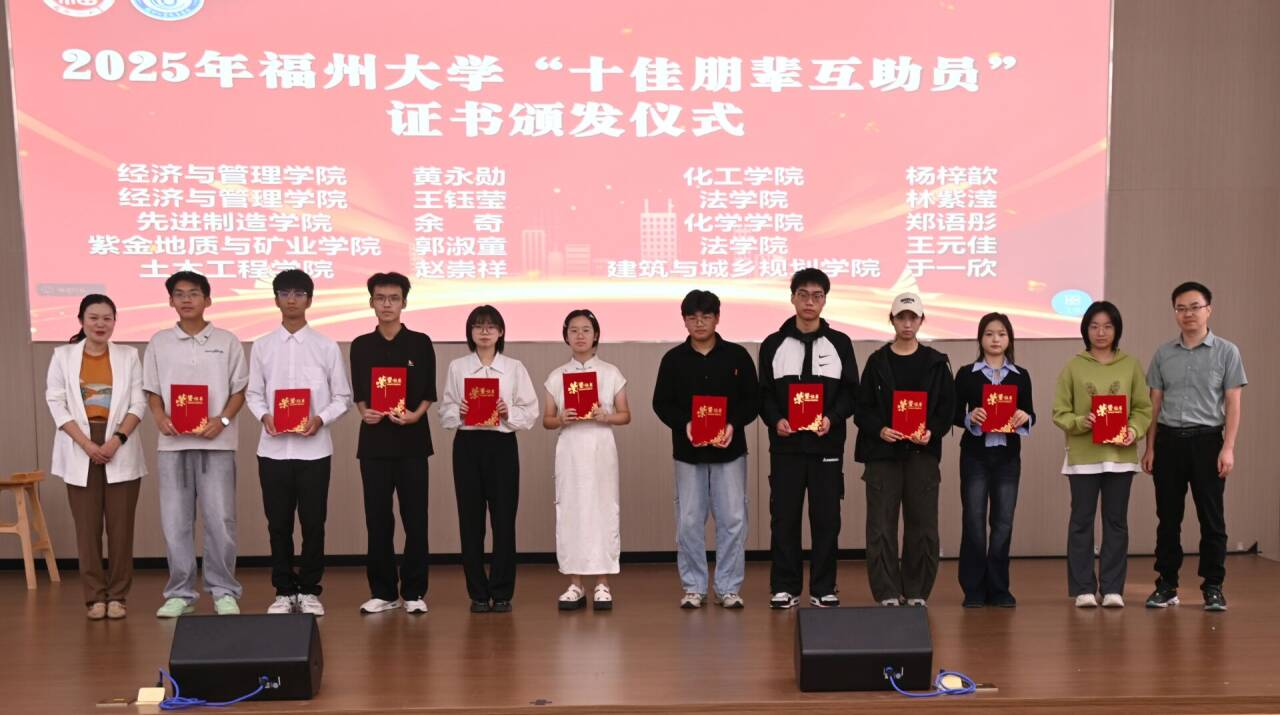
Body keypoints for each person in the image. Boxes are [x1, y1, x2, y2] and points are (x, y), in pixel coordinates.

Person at [246, 270, 352, 616]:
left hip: (314, 450)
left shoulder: (326, 346)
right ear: (276, 299)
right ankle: (283, 590)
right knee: (277, 524)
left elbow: (342, 396)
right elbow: (253, 393)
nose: (291, 299)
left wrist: (320, 419)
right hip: (272, 450)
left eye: (299, 293)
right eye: (285, 293)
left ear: (310, 299)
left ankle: (308, 590)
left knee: (313, 523)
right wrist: (265, 415)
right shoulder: (262, 346)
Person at [144, 271, 249, 618]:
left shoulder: (227, 340)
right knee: (176, 521)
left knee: (220, 520)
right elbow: (152, 391)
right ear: (170, 301)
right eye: (179, 294)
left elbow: (239, 390)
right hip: (172, 444)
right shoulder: (159, 341)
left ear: (208, 299)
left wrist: (222, 421)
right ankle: (180, 592)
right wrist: (159, 417)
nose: (186, 299)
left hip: (217, 443)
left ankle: (224, 591)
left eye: (194, 293)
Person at [652, 290, 760, 609]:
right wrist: (684, 424)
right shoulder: (673, 359)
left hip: (730, 451)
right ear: (684, 321)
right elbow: (661, 403)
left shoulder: (737, 356)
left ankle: (728, 587)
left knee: (733, 519)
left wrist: (733, 425)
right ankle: (694, 586)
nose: (699, 323)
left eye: (706, 316)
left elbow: (752, 400)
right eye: (692, 317)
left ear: (717, 318)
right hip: (689, 453)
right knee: (688, 521)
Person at [1142, 282, 1246, 611]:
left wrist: (1228, 448)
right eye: (1181, 308)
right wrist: (1150, 447)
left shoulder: (1227, 352)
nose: (1188, 313)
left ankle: (1213, 586)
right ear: (1175, 313)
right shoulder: (1163, 354)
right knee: (1168, 518)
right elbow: (1154, 405)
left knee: (1212, 519)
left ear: (1208, 310)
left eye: (1195, 307)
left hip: (1208, 443)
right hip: (1169, 443)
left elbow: (1233, 404)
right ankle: (1166, 585)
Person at [758, 268, 859, 609]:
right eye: (803, 295)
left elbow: (851, 393)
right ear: (793, 298)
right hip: (785, 447)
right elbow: (764, 394)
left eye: (817, 296)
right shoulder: (773, 344)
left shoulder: (840, 343)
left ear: (824, 301)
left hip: (826, 447)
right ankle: (784, 587)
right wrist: (776, 420)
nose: (809, 302)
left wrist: (831, 419)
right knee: (784, 518)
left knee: (827, 519)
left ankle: (824, 587)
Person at [45, 294, 146, 620]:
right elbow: (56, 402)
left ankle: (118, 596)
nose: (100, 324)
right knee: (87, 530)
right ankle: (94, 598)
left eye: (107, 318)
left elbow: (138, 403)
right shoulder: (62, 356)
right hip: (79, 444)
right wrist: (87, 444)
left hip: (120, 443)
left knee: (121, 529)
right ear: (81, 321)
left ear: (115, 322)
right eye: (93, 317)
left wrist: (116, 440)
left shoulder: (129, 356)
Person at [854, 292, 955, 607]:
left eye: (913, 317)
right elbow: (862, 409)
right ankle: (886, 591)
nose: (907, 323)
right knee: (881, 525)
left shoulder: (936, 363)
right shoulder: (877, 362)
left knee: (923, 524)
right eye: (901, 317)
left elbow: (947, 409)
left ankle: (916, 591)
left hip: (922, 455)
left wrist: (932, 431)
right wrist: (880, 429)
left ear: (922, 320)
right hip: (883, 455)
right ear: (892, 320)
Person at [1052, 301, 1152, 608]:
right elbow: (1059, 412)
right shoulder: (1073, 366)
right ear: (1086, 330)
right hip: (1083, 458)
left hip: (1120, 458)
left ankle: (1112, 589)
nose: (1101, 332)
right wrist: (1081, 422)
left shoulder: (1130, 365)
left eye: (1108, 326)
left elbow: (1143, 408)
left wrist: (1134, 430)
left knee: (1116, 523)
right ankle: (1083, 588)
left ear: (1117, 329)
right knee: (1081, 523)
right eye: (1094, 326)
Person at [439, 305, 539, 613]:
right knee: (470, 521)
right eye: (478, 326)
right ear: (470, 332)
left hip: (502, 445)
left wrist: (509, 411)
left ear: (501, 332)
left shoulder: (514, 367)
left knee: (504, 520)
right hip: (468, 445)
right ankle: (478, 593)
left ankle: (502, 591)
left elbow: (531, 411)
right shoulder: (458, 367)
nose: (484, 332)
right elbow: (445, 410)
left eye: (491, 326)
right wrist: (459, 412)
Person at [349, 272, 436, 615]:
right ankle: (383, 591)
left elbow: (428, 391)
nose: (387, 304)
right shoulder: (361, 345)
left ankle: (414, 591)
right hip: (374, 444)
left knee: (416, 519)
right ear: (371, 302)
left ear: (404, 302)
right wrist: (364, 412)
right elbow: (359, 392)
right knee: (377, 520)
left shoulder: (420, 342)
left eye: (394, 298)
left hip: (413, 442)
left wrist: (415, 415)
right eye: (381, 298)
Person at [543, 309, 631, 610]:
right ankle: (575, 583)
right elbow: (547, 420)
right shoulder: (557, 376)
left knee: (603, 509)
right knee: (571, 510)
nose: (580, 335)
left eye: (586, 330)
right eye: (573, 330)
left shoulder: (611, 372)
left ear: (596, 335)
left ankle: (603, 582)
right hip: (570, 449)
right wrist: (561, 419)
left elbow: (625, 415)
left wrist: (606, 416)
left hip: (600, 447)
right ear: (565, 336)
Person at [952, 313, 1035, 608]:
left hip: (1007, 458)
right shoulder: (967, 374)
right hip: (975, 456)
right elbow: (952, 413)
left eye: (1001, 333)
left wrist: (1025, 416)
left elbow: (1030, 413)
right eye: (989, 333)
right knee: (974, 522)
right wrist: (969, 417)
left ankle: (999, 588)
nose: (995, 339)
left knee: (1002, 524)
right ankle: (973, 588)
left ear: (1009, 338)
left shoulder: (1021, 375)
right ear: (980, 338)